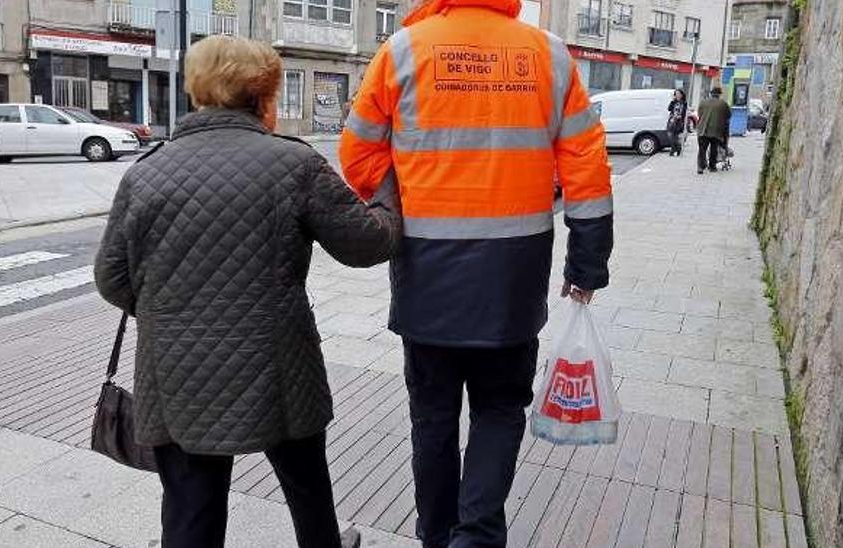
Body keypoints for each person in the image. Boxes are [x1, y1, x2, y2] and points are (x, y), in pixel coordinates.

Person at [94, 36, 401, 548]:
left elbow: (111, 279)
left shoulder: (145, 173)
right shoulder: (293, 164)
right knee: (305, 482)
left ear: (198, 91)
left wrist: (170, 310)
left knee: (191, 503)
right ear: (263, 95)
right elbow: (365, 246)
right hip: (276, 364)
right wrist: (390, 194)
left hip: (175, 369)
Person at [339, 0, 613, 546]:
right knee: (499, 408)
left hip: (428, 273)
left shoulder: (402, 51)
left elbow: (357, 155)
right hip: (514, 275)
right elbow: (587, 167)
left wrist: (406, 203)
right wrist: (587, 263)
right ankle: (479, 534)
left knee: (433, 415)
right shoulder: (548, 54)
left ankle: (437, 534)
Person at [696, 87, 731, 174]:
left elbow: (699, 114)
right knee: (713, 149)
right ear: (719, 94)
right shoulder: (723, 104)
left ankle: (700, 167)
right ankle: (712, 166)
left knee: (702, 149)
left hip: (703, 129)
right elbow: (728, 116)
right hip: (716, 130)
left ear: (711, 94)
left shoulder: (703, 102)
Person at [667, 89, 688, 156]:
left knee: (676, 136)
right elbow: (669, 109)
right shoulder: (674, 102)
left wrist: (681, 117)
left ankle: (674, 149)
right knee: (670, 135)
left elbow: (684, 113)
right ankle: (677, 148)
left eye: (679, 94)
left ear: (682, 95)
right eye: (676, 94)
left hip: (679, 122)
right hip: (672, 120)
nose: (677, 95)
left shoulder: (684, 103)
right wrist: (672, 101)